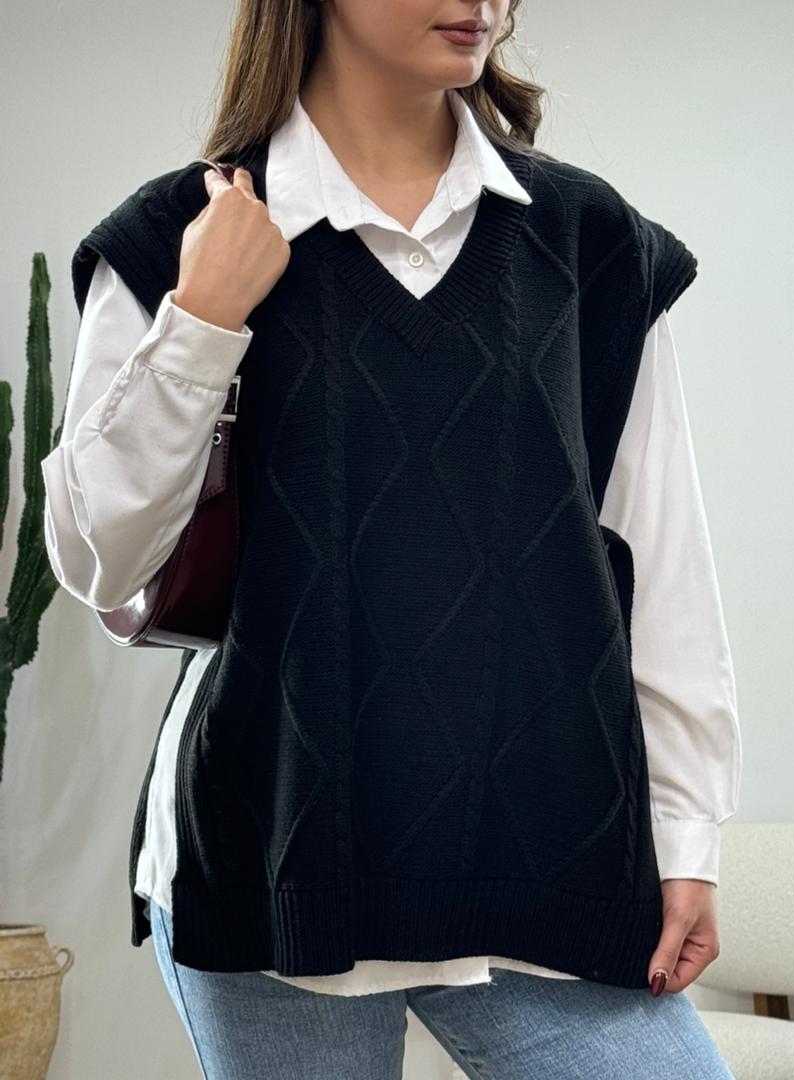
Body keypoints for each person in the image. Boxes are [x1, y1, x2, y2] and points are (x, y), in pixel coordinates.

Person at [42, 1, 742, 1077]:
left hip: (544, 851)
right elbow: (99, 561)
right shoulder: (185, 232)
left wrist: (687, 834)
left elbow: (659, 556)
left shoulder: (585, 238)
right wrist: (201, 319)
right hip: (278, 855)